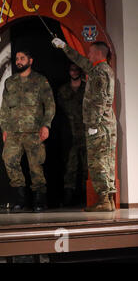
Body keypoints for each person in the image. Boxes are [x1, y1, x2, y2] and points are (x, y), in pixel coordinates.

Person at [52, 38, 116, 212]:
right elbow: (81, 61)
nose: (88, 55)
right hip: (105, 124)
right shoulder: (100, 69)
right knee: (105, 161)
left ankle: (104, 199)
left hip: (99, 125)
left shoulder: (99, 73)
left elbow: (99, 100)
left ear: (97, 53)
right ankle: (107, 199)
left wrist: (93, 124)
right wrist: (64, 47)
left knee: (98, 162)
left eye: (90, 52)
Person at [0, 50, 56, 212]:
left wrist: (46, 125)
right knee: (9, 160)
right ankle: (20, 198)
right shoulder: (10, 82)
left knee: (36, 166)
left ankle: (40, 200)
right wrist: (4, 128)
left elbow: (50, 105)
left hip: (34, 132)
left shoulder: (40, 81)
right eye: (17, 59)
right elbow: (4, 108)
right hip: (13, 132)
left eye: (22, 58)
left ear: (30, 61)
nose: (18, 61)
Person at [57, 63, 87, 206]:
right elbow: (60, 111)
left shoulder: (87, 88)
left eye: (76, 69)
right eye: (71, 69)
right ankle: (68, 197)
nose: (74, 72)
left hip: (87, 133)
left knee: (88, 166)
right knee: (70, 166)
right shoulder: (63, 90)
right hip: (70, 133)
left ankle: (87, 196)